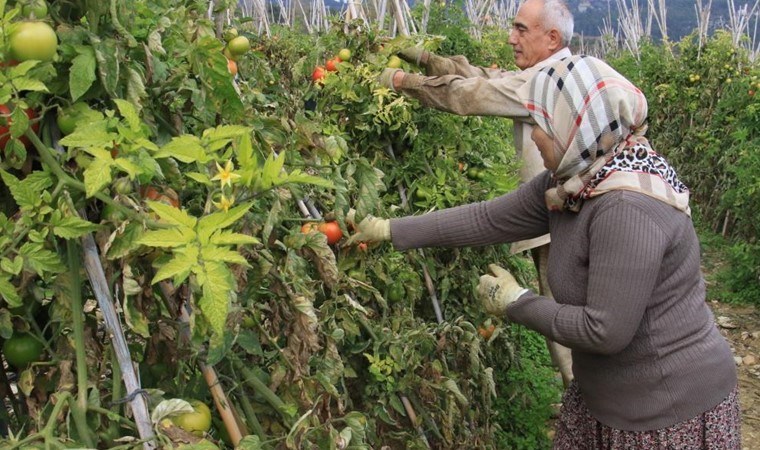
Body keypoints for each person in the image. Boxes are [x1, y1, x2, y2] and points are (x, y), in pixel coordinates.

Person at [348, 55, 741, 448]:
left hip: (664, 412)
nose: (534, 136)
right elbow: (487, 219)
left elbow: (603, 331)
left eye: (543, 124)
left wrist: (516, 302)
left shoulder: (625, 207)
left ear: (579, 128)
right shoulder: (572, 182)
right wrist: (389, 229)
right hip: (603, 398)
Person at [376, 0, 576, 386]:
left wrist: (400, 82)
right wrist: (424, 58)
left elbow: (470, 95)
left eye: (520, 30)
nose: (510, 38)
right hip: (556, 210)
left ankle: (586, 407)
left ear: (551, 38)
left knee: (564, 312)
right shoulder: (550, 70)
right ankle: (583, 403)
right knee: (563, 308)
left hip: (566, 214)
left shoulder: (543, 82)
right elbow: (482, 76)